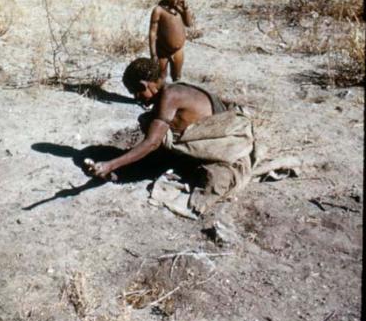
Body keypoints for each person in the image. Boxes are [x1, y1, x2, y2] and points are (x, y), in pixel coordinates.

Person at [87, 58, 256, 216]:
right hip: (205, 142)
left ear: (144, 85)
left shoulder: (170, 96)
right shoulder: (170, 90)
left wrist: (110, 165)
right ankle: (129, 170)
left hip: (222, 146)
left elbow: (152, 143)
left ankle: (126, 169)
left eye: (136, 93)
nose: (136, 98)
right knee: (151, 124)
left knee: (213, 177)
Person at [149, 0, 194, 82]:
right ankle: (160, 98)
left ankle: (175, 97)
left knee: (177, 77)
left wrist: (186, 10)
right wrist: (153, 54)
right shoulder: (158, 11)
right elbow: (152, 33)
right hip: (162, 51)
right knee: (161, 77)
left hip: (178, 51)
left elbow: (189, 24)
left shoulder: (178, 8)